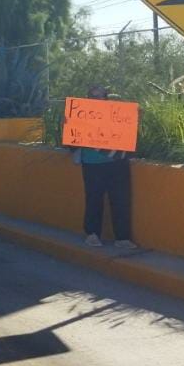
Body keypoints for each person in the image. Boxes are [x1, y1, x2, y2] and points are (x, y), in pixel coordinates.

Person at [72, 85, 137, 249]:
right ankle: (92, 234)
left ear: (105, 98)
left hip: (117, 162)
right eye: (92, 96)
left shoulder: (116, 113)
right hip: (91, 163)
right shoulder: (80, 115)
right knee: (94, 199)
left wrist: (135, 117)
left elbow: (128, 133)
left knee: (120, 199)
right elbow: (71, 139)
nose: (96, 99)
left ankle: (122, 238)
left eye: (99, 96)